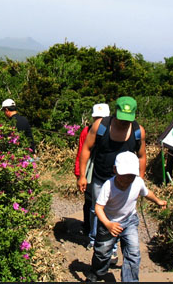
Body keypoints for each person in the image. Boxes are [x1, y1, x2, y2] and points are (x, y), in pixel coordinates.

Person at [77, 96, 147, 265]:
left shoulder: (138, 131)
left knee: (118, 212)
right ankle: (96, 241)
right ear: (115, 112)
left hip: (125, 182)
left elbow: (142, 157)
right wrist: (82, 175)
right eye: (122, 118)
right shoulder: (100, 126)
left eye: (128, 120)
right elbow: (86, 149)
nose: (124, 123)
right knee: (97, 210)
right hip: (101, 177)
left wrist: (139, 181)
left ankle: (112, 248)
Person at [86, 151, 167, 282]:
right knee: (102, 252)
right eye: (123, 175)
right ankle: (97, 272)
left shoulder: (137, 182)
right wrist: (108, 224)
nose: (127, 179)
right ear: (115, 170)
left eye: (131, 175)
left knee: (133, 252)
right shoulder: (108, 186)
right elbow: (98, 208)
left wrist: (157, 201)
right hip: (109, 222)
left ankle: (130, 280)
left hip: (129, 221)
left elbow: (146, 193)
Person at [74, 103, 110, 247]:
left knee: (101, 204)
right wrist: (79, 174)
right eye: (97, 118)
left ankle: (98, 234)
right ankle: (90, 230)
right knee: (90, 201)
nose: (99, 121)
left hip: (101, 171)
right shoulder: (87, 131)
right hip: (90, 171)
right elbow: (81, 152)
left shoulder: (112, 132)